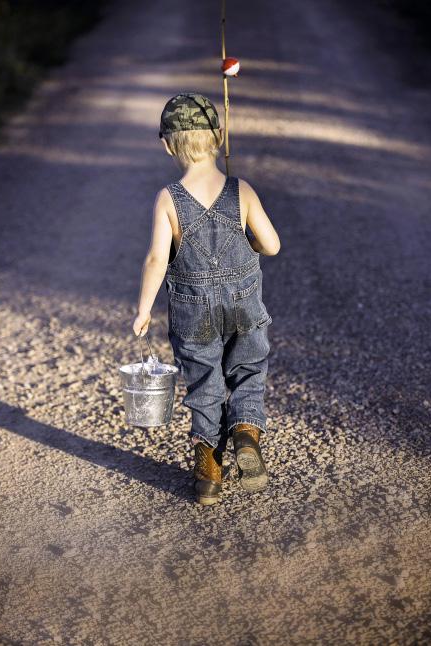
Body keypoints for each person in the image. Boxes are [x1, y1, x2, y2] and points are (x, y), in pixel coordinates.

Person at [133, 93, 280, 505]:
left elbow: (157, 259)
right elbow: (272, 245)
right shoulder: (242, 189)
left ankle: (208, 473)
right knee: (249, 367)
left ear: (166, 144)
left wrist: (144, 310)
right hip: (244, 304)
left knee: (204, 381)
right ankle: (246, 434)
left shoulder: (168, 197)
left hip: (192, 308)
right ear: (219, 136)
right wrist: (244, 241)